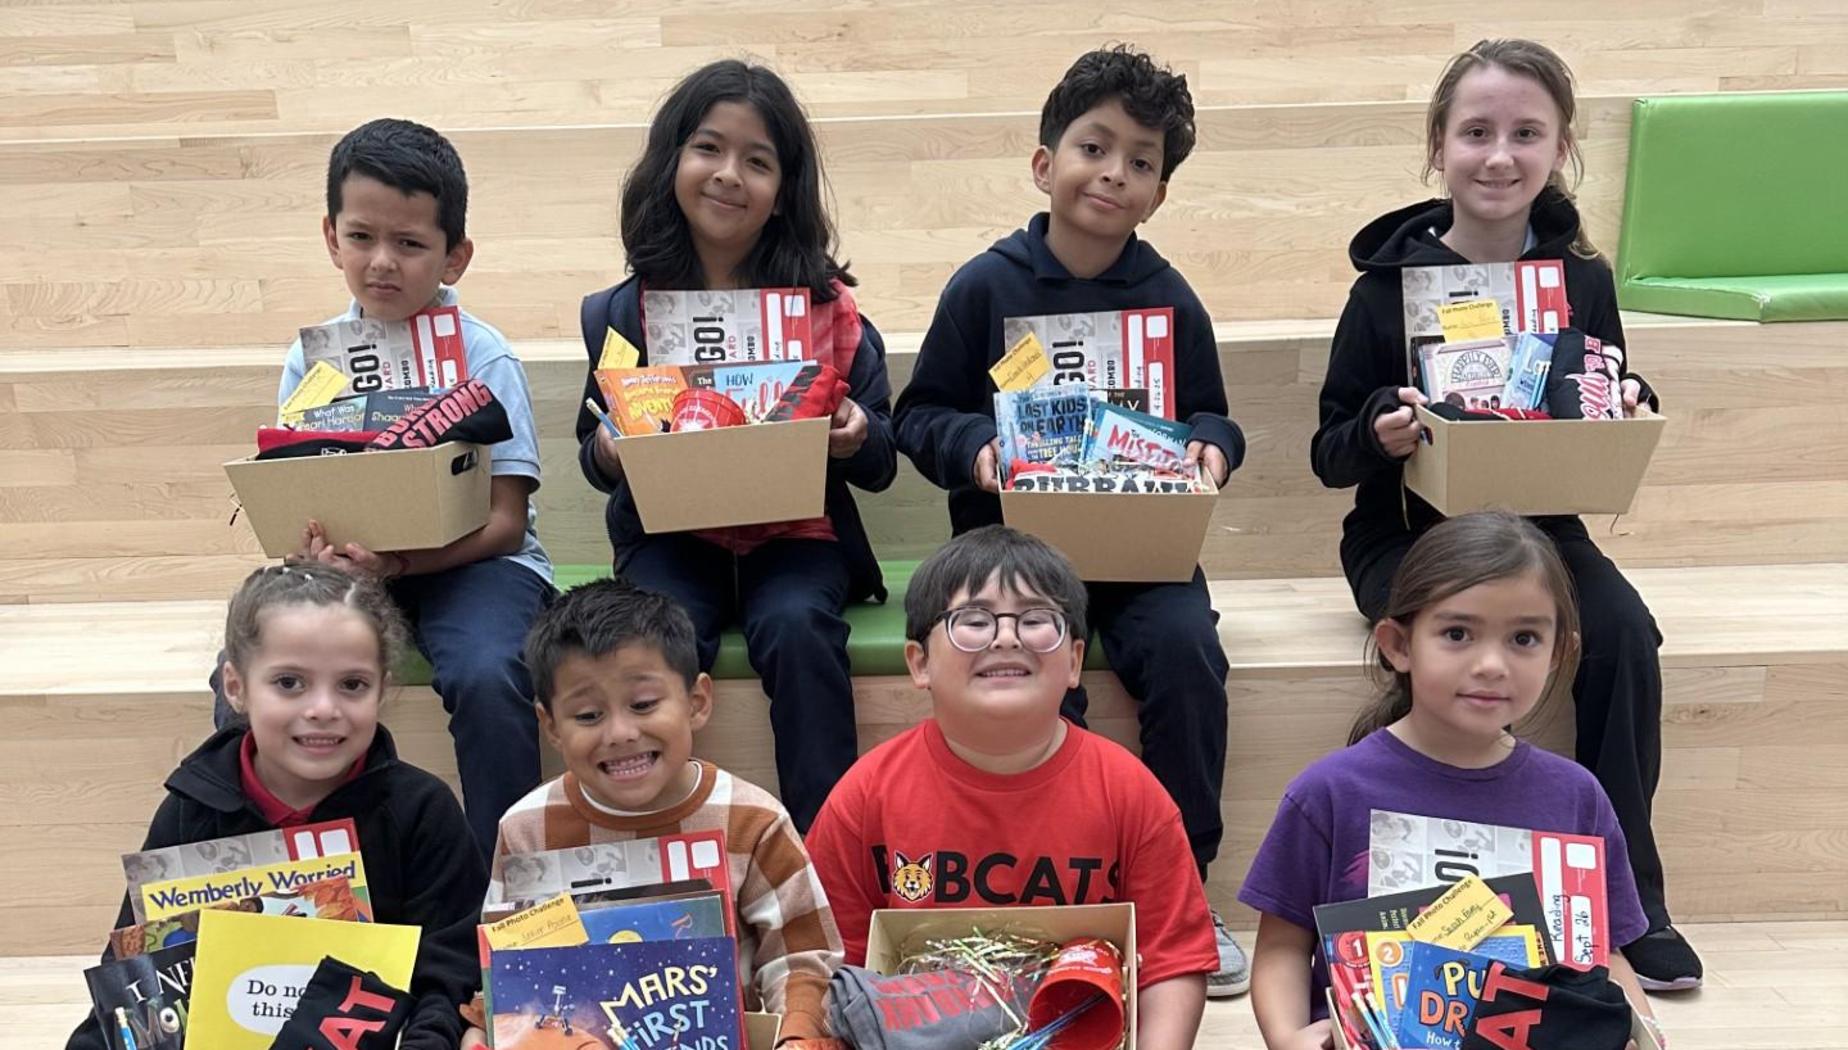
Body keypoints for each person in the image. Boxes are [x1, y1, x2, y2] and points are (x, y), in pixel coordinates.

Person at [1307, 38, 1699, 989]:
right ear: (1438, 146)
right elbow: (1327, 454)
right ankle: (1392, 901)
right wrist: (1381, 428)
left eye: (1527, 133)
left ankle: (1630, 897)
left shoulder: (1583, 281)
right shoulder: (1384, 292)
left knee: (1624, 636)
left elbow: (1593, 397)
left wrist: (1623, 397)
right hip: (1406, 534)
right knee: (1454, 645)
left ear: (1561, 148)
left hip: (1540, 532)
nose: (1499, 155)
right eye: (1476, 132)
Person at [890, 45, 1248, 995]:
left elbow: (1211, 414)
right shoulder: (985, 286)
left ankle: (1185, 890)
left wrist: (1214, 447)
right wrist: (978, 449)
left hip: (1142, 548)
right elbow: (916, 415)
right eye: (1096, 146)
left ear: (1159, 192)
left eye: (1141, 160)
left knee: (1186, 657)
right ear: (1046, 164)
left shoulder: (1170, 297)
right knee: (1040, 676)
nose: (1115, 172)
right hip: (1011, 558)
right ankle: (1051, 905)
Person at [213, 118, 554, 860]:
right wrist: (322, 557)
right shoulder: (313, 362)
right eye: (362, 237)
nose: (382, 262)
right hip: (350, 571)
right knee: (248, 665)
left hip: (478, 567)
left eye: (410, 243)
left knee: (489, 670)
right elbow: (302, 488)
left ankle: (514, 882)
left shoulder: (484, 355)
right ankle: (270, 867)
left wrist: (397, 568)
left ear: (454, 256)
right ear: (331, 236)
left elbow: (504, 521)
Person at [575, 60, 897, 833]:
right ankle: (657, 848)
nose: (729, 175)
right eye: (708, 149)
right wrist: (612, 450)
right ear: (671, 161)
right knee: (650, 642)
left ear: (784, 190)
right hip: (669, 539)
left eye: (758, 161)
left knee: (795, 626)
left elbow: (884, 457)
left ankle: (829, 852)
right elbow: (593, 451)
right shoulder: (623, 312)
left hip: (800, 538)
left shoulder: (830, 312)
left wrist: (855, 435)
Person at [1240, 512, 1664, 1049]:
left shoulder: (1577, 796)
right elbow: (1281, 948)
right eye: (1457, 633)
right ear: (1398, 645)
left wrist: (1644, 1035)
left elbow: (1602, 955)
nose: (1491, 664)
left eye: (1525, 638)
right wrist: (1287, 1038)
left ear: (1560, 653)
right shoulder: (1330, 791)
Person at [807, 526, 1217, 1050]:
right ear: (919, 663)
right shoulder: (866, 796)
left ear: (1073, 661)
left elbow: (1172, 963)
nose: (1006, 637)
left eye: (1035, 620)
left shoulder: (1130, 792)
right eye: (973, 621)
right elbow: (826, 964)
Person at [71, 564, 486, 1050]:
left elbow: (451, 971)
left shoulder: (421, 812)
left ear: (382, 687)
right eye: (290, 683)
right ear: (235, 686)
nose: (323, 708)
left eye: (352, 685)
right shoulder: (191, 811)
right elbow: (132, 980)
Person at [472, 579, 843, 1047]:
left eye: (644, 704)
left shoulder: (753, 819)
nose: (621, 732)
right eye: (588, 715)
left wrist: (795, 1036)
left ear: (697, 702)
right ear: (550, 725)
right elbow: (507, 973)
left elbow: (802, 960)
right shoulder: (527, 829)